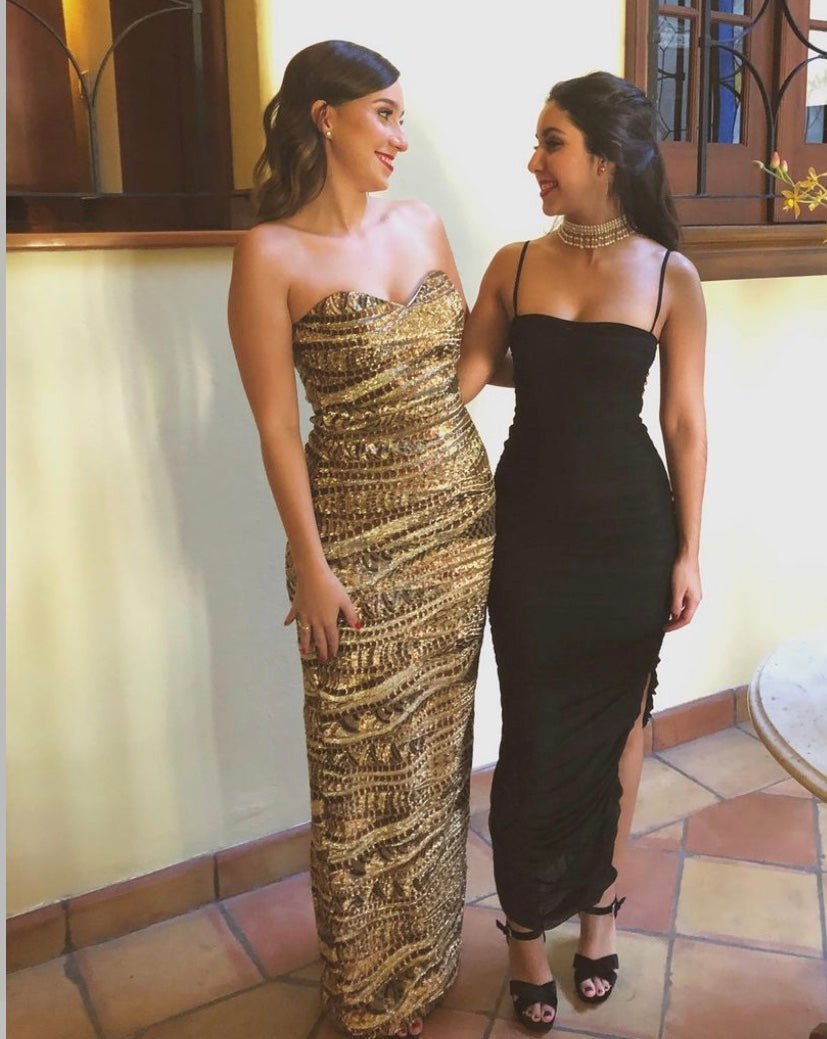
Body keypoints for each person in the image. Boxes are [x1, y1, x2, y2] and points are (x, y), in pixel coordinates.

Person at [227, 40, 494, 1039]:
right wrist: (310, 564)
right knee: (360, 769)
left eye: (399, 116)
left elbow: (466, 360)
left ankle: (425, 964)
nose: (399, 137)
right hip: (351, 540)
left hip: (458, 524)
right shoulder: (269, 253)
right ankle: (370, 992)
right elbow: (274, 428)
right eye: (383, 114)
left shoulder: (421, 224)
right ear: (323, 117)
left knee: (432, 757)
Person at [458, 71, 706, 1033]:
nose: (534, 161)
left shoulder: (670, 275)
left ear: (605, 157)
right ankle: (525, 928)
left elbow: (683, 423)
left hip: (630, 536)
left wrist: (688, 551)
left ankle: (598, 912)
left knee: (619, 734)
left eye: (551, 142)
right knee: (530, 733)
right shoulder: (512, 265)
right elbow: (462, 377)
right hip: (527, 534)